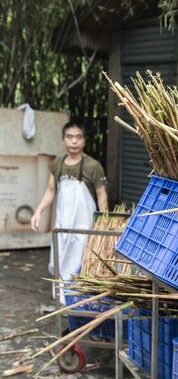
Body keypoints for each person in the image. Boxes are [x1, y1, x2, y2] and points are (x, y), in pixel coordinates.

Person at [31, 120, 108, 283]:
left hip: (84, 225)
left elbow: (101, 194)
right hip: (62, 223)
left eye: (78, 137)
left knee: (80, 260)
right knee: (59, 259)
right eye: (70, 137)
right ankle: (61, 299)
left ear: (84, 141)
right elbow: (51, 190)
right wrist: (38, 211)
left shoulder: (93, 166)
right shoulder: (57, 164)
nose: (74, 141)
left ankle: (75, 299)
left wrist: (104, 223)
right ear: (63, 140)